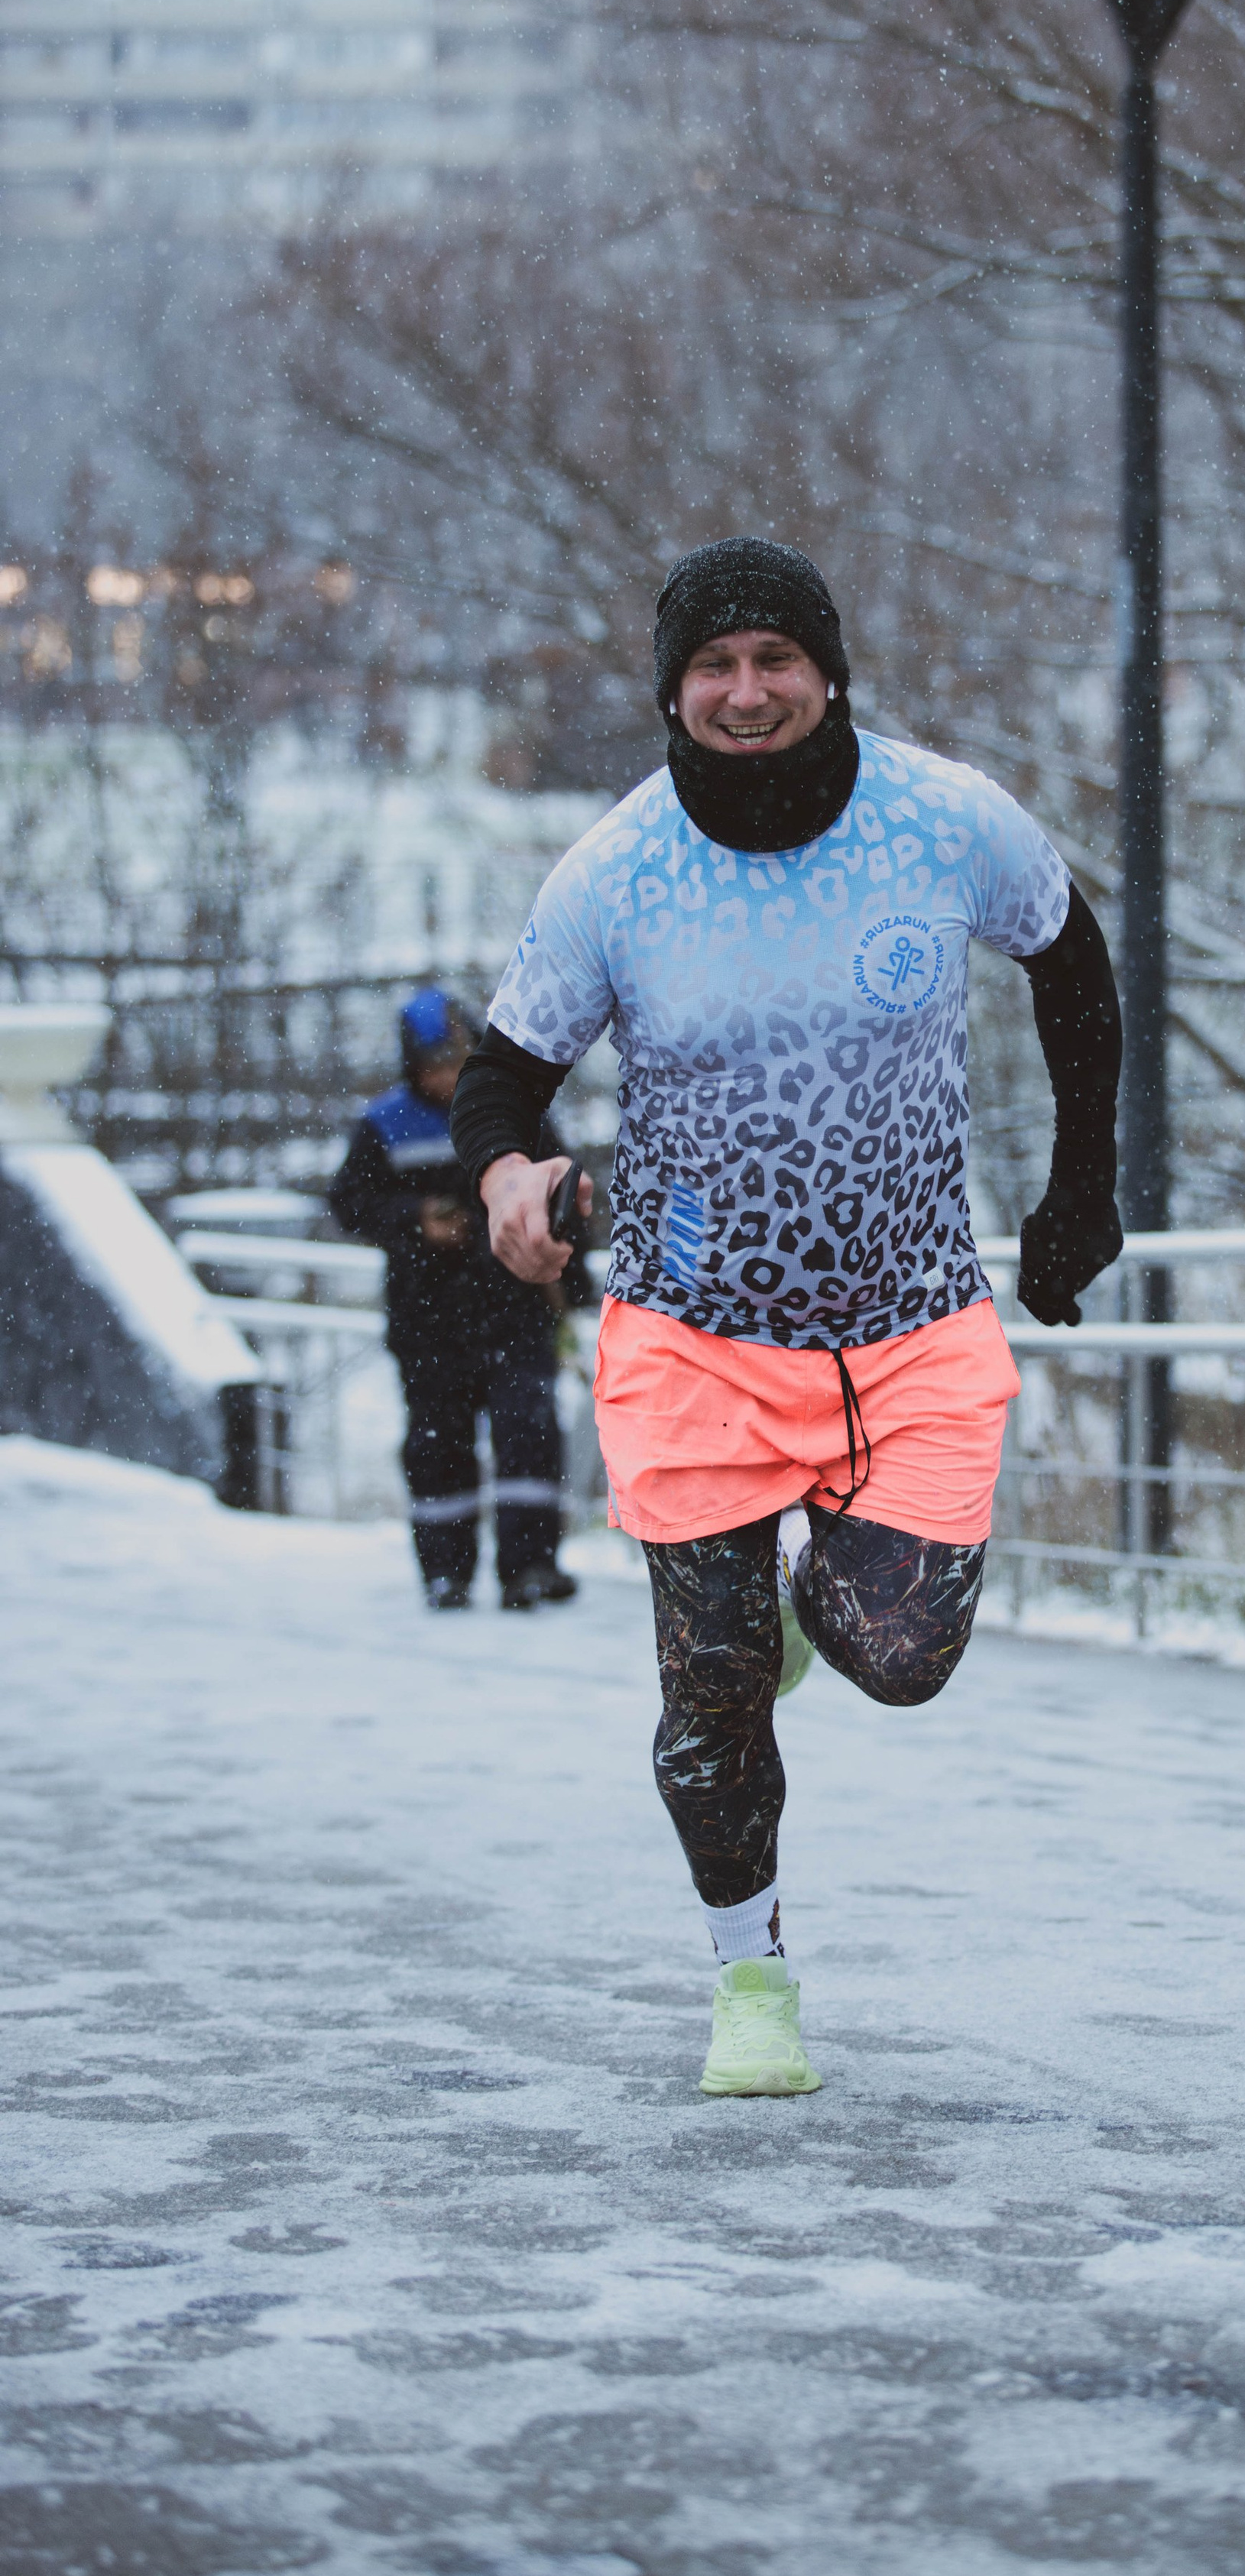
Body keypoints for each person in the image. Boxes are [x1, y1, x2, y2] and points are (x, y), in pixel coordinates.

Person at [451, 536, 1122, 2095]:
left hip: (908, 1324)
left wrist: (1078, 1189)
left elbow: (1072, 967)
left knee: (898, 1655)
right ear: (672, 690)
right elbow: (502, 1076)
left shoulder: (944, 820)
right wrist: (502, 1179)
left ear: (828, 672)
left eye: (774, 660)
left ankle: (795, 1631)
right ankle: (748, 1984)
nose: (745, 692)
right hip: (689, 1332)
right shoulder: (613, 874)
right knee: (707, 1684)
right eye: (712, 666)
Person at [329, 986, 586, 1614]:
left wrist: (573, 1290)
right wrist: (419, 1220)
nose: (445, 1077)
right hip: (430, 1321)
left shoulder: (515, 1113)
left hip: (517, 1309)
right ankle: (446, 1572)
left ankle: (530, 1566)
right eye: (433, 1064)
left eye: (455, 1061)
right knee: (437, 1443)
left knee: (528, 1433)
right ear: (412, 1066)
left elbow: (566, 1193)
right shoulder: (385, 1125)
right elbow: (349, 1203)